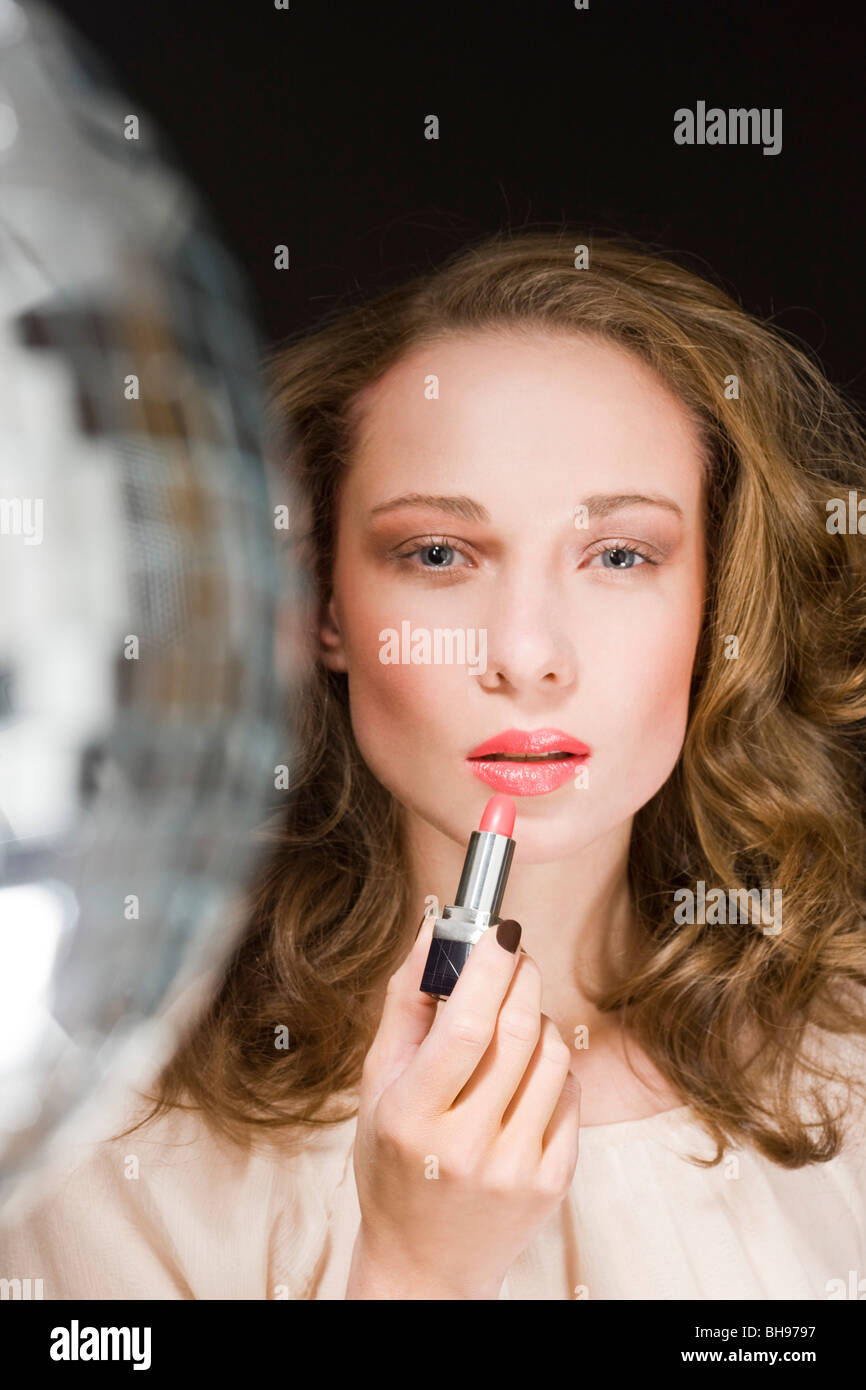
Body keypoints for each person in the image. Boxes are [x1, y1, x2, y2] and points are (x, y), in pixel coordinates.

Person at [2, 229, 866, 1300]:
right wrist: (414, 1269)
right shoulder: (111, 1134)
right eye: (437, 555)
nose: (525, 655)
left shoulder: (844, 1055)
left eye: (617, 555)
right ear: (321, 604)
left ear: (713, 600)